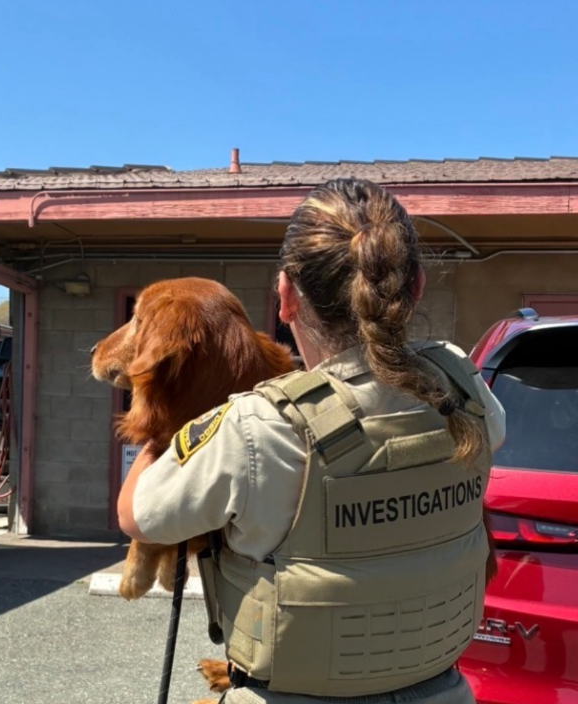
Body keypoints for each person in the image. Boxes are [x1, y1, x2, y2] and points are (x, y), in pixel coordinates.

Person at [117, 178, 506, 704]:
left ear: (284, 297)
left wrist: (165, 419)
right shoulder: (464, 388)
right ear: (414, 288)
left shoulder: (260, 427)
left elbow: (137, 516)